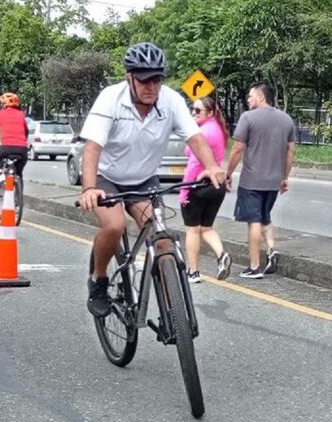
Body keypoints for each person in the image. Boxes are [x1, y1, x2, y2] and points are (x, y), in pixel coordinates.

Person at [78, 42, 226, 317]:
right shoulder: (111, 98)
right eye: (144, 80)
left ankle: (174, 312)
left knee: (163, 242)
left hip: (144, 181)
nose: (151, 87)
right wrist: (88, 188)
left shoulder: (170, 100)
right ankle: (98, 280)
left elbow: (194, 137)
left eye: (156, 79)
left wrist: (212, 166)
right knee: (114, 225)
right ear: (129, 78)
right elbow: (92, 147)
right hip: (106, 177)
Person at [225, 82, 295, 279]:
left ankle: (254, 266)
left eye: (250, 96)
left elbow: (237, 149)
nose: (248, 100)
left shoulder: (248, 118)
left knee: (253, 221)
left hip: (252, 180)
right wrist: (284, 176)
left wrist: (228, 172)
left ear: (261, 97)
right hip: (273, 180)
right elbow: (290, 152)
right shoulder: (286, 120)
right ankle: (272, 249)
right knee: (265, 216)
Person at [179, 96, 231, 283]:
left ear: (209, 113)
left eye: (198, 110)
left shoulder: (202, 133)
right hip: (217, 185)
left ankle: (193, 271)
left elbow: (193, 165)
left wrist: (184, 192)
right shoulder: (218, 129)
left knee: (192, 231)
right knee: (206, 228)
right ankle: (221, 254)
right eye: (192, 109)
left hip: (198, 185)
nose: (194, 113)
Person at [0, 92, 29, 180]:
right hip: (22, 149)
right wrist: (23, 143)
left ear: (4, 104)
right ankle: (19, 188)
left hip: (5, 148)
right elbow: (26, 131)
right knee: (19, 173)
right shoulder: (21, 114)